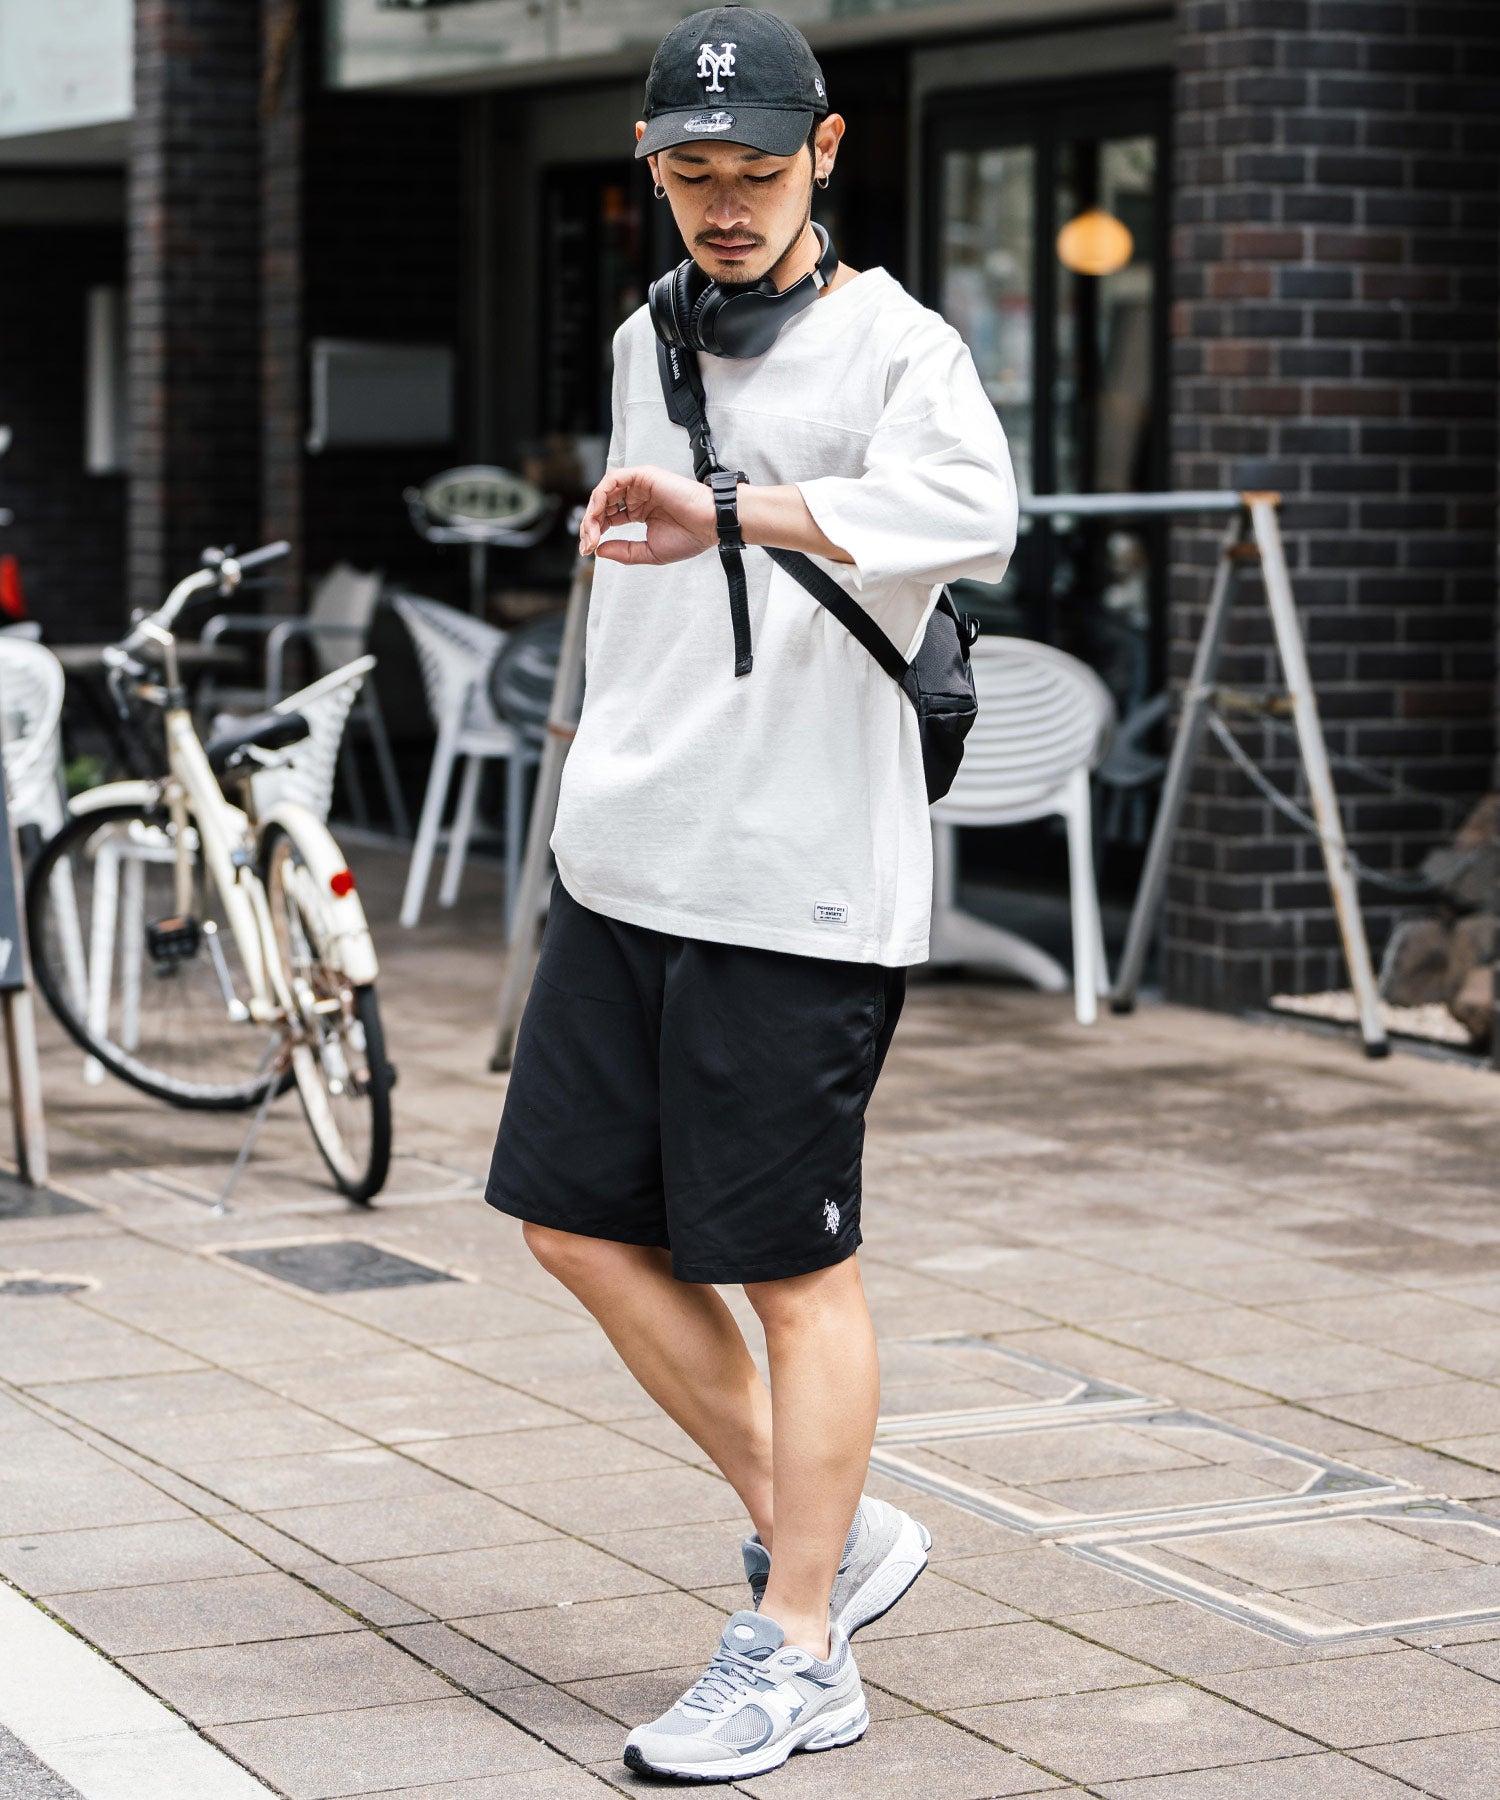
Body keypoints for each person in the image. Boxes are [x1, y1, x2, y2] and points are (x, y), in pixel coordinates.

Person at [485, 2, 1016, 1781]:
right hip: (628, 853)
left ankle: (799, 1648)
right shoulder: (647, 335)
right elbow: (642, 588)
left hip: (796, 880)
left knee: (791, 1270)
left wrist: (742, 514)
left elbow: (976, 515)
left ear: (825, 154)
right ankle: (832, 1533)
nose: (723, 205)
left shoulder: (899, 347)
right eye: (691, 173)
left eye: (756, 172)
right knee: (574, 1223)